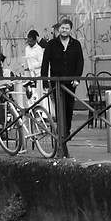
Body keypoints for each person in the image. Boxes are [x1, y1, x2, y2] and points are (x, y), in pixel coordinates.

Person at [40, 18, 85, 146]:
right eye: (62, 28)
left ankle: (67, 130)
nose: (64, 30)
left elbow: (80, 62)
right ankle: (61, 132)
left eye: (66, 28)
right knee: (59, 106)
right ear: (58, 29)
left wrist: (77, 79)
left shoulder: (75, 44)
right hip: (57, 80)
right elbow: (45, 63)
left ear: (71, 30)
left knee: (69, 106)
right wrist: (44, 82)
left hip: (71, 81)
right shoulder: (51, 44)